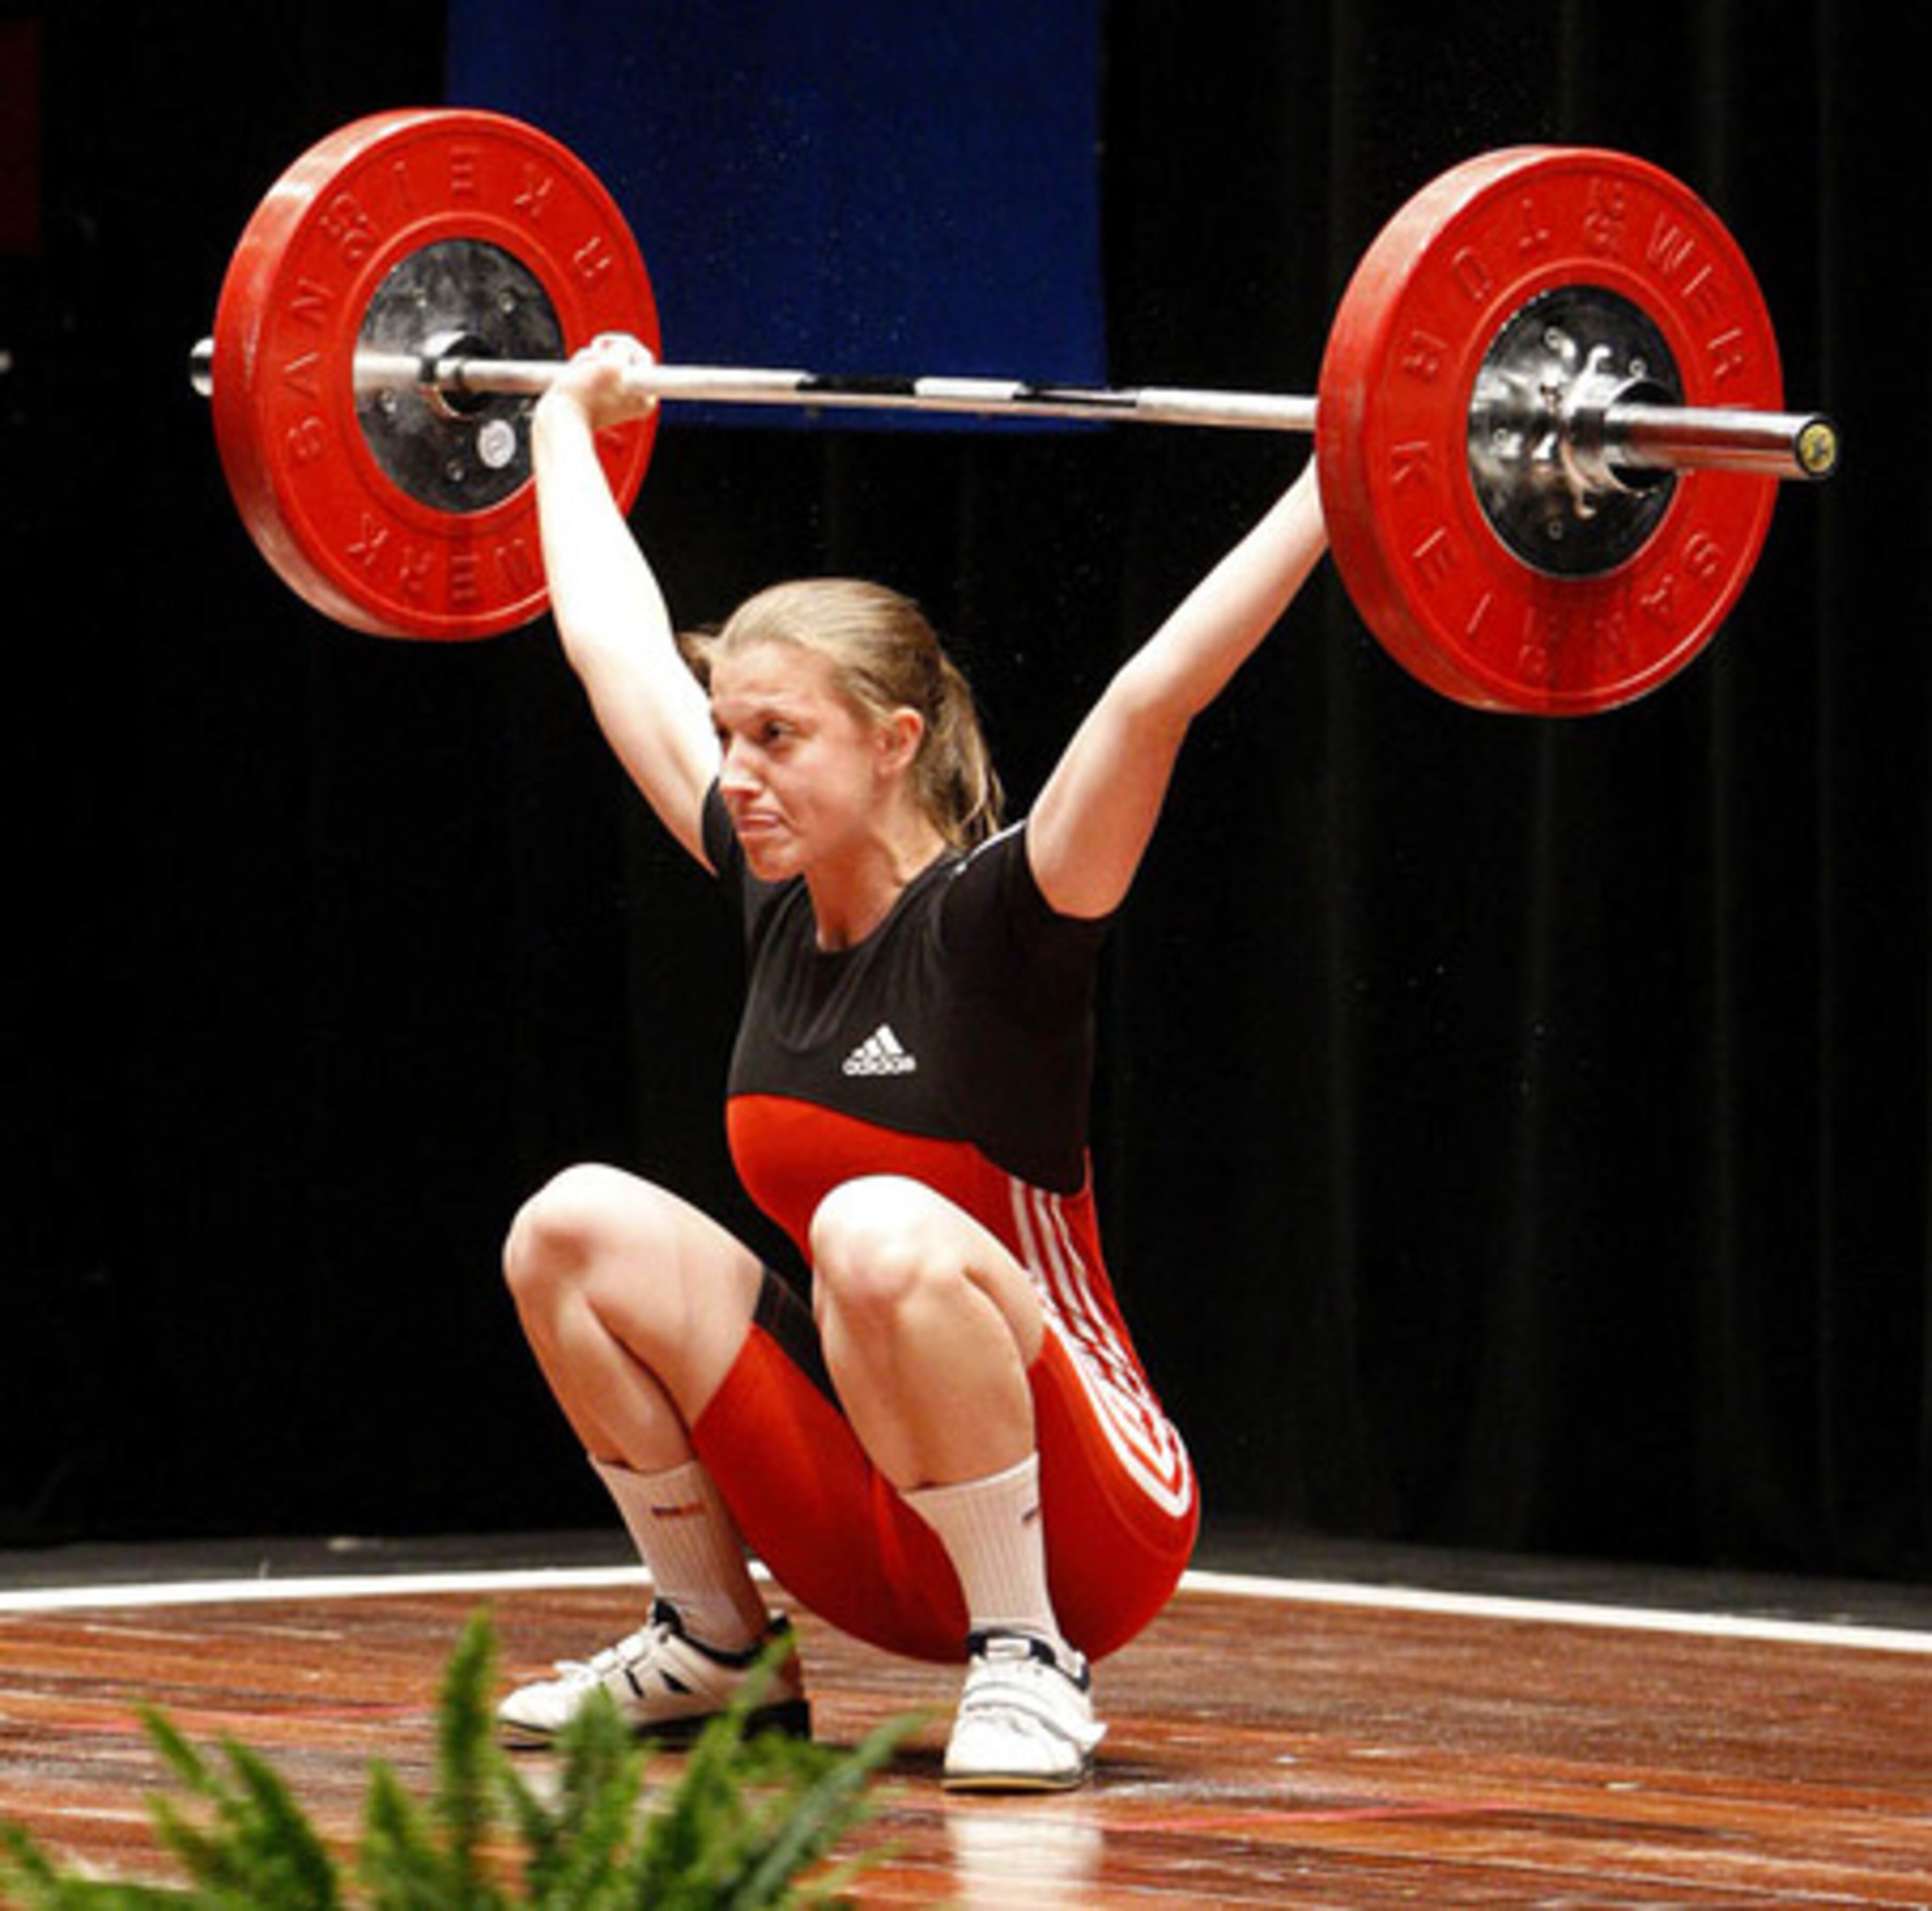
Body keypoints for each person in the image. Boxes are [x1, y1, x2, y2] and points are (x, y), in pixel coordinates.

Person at [495, 332, 1329, 1791]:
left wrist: (1349, 475)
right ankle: (716, 1645)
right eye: (725, 736)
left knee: (871, 1230)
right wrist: (562, 421)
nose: (735, 771)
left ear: (892, 743)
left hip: (1087, 1523)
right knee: (565, 1227)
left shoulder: (1012, 912)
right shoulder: (767, 892)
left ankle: (1031, 1663)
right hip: (881, 1521)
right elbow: (606, 643)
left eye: (776, 737)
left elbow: (1155, 696)